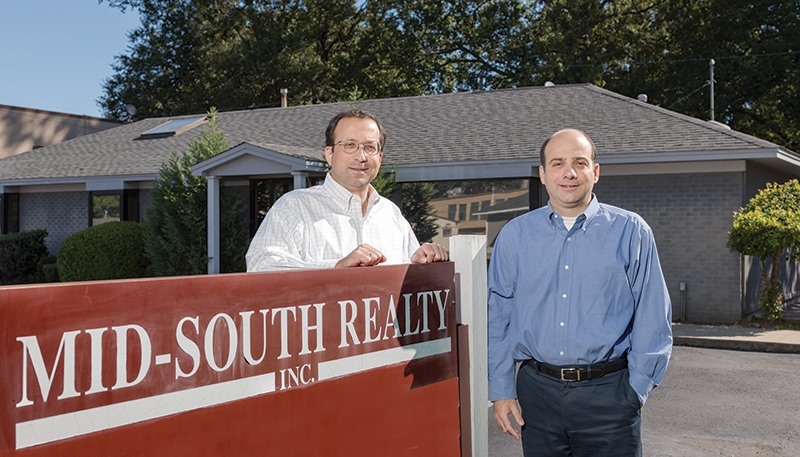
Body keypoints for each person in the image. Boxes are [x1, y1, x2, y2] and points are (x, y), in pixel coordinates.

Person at [488, 128, 672, 456]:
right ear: (543, 174)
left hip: (610, 396)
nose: (569, 173)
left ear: (595, 172)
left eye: (579, 163)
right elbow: (498, 317)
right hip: (537, 396)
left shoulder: (632, 232)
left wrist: (635, 390)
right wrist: (501, 390)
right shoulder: (515, 236)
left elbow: (653, 315)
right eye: (557, 163)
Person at [246, 109, 447, 271]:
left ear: (380, 158)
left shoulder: (391, 214)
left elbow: (407, 286)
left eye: (370, 147)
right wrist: (336, 268)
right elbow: (261, 267)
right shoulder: (294, 207)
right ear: (330, 154)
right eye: (350, 145)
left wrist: (420, 262)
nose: (361, 157)